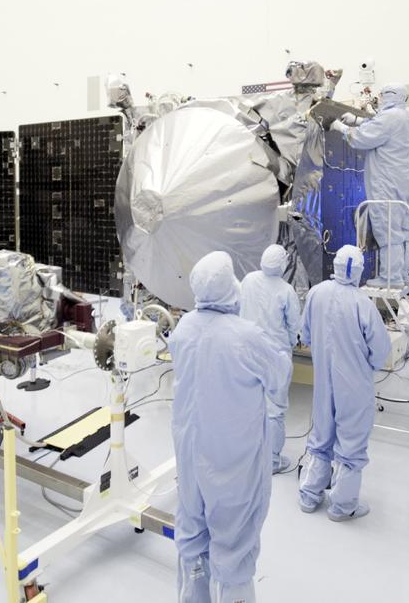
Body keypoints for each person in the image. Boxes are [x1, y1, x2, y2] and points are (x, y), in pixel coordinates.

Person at [171, 251, 285, 603]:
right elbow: (279, 375)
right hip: (231, 458)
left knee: (193, 529)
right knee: (234, 539)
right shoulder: (245, 336)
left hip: (190, 453)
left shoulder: (183, 329)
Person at [298, 245, 393, 521]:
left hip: (324, 379)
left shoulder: (317, 293)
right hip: (353, 383)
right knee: (351, 441)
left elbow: (306, 333)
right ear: (359, 270)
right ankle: (342, 505)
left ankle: (309, 494)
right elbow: (380, 348)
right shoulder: (362, 303)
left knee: (321, 434)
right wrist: (368, 367)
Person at [332, 85, 409, 286]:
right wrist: (358, 120)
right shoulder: (407, 117)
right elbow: (381, 125)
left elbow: (361, 138)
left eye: (381, 95)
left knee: (387, 230)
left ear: (389, 96)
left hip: (386, 184)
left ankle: (390, 278)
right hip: (404, 183)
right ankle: (402, 274)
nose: (379, 99)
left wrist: (341, 128)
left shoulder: (389, 118)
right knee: (403, 231)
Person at [240, 244, 303, 474]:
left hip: (247, 352)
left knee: (250, 403)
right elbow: (294, 326)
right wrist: (293, 343)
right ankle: (272, 461)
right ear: (282, 264)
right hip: (274, 355)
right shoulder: (286, 290)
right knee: (274, 409)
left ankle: (250, 454)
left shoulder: (248, 280)